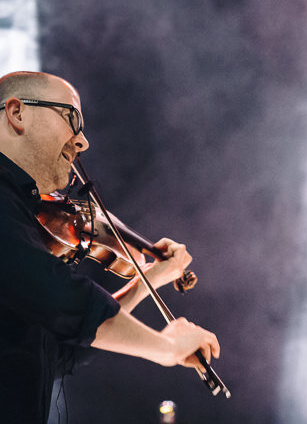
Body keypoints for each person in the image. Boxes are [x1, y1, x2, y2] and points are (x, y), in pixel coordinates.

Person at [0, 71, 221, 424]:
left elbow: (51, 352)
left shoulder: (21, 218)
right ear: (17, 112)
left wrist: (150, 279)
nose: (82, 141)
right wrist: (165, 347)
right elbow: (57, 294)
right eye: (71, 119)